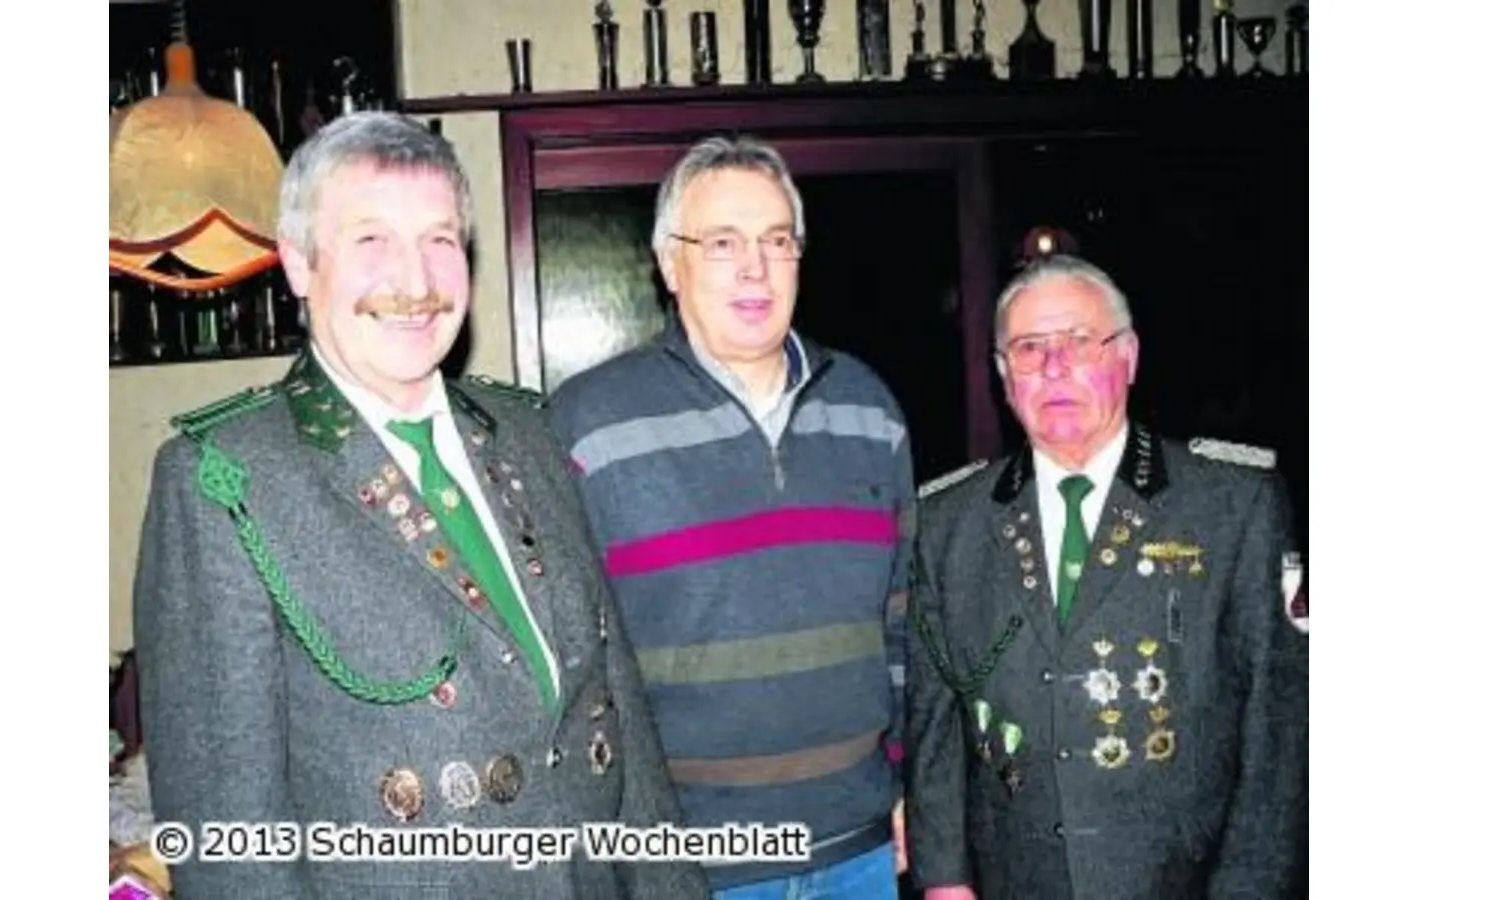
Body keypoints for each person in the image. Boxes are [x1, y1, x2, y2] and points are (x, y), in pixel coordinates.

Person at [133, 112, 709, 899]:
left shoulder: (532, 433)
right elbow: (232, 849)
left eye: (440, 239)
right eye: (372, 240)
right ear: (300, 264)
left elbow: (624, 736)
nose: (416, 281)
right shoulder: (225, 477)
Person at [548, 134, 914, 899]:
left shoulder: (868, 407)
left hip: (860, 853)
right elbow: (568, 666)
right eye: (722, 242)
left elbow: (902, 625)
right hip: (689, 865)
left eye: (777, 241)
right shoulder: (588, 425)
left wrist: (909, 782)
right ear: (669, 264)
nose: (756, 267)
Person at [903, 253, 1308, 899]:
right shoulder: (949, 521)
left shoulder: (1233, 505)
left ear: (1129, 357)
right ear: (1005, 376)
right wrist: (945, 880)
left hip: (1183, 882)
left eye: (1080, 341)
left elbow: (1278, 736)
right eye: (1030, 348)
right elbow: (936, 723)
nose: (1055, 366)